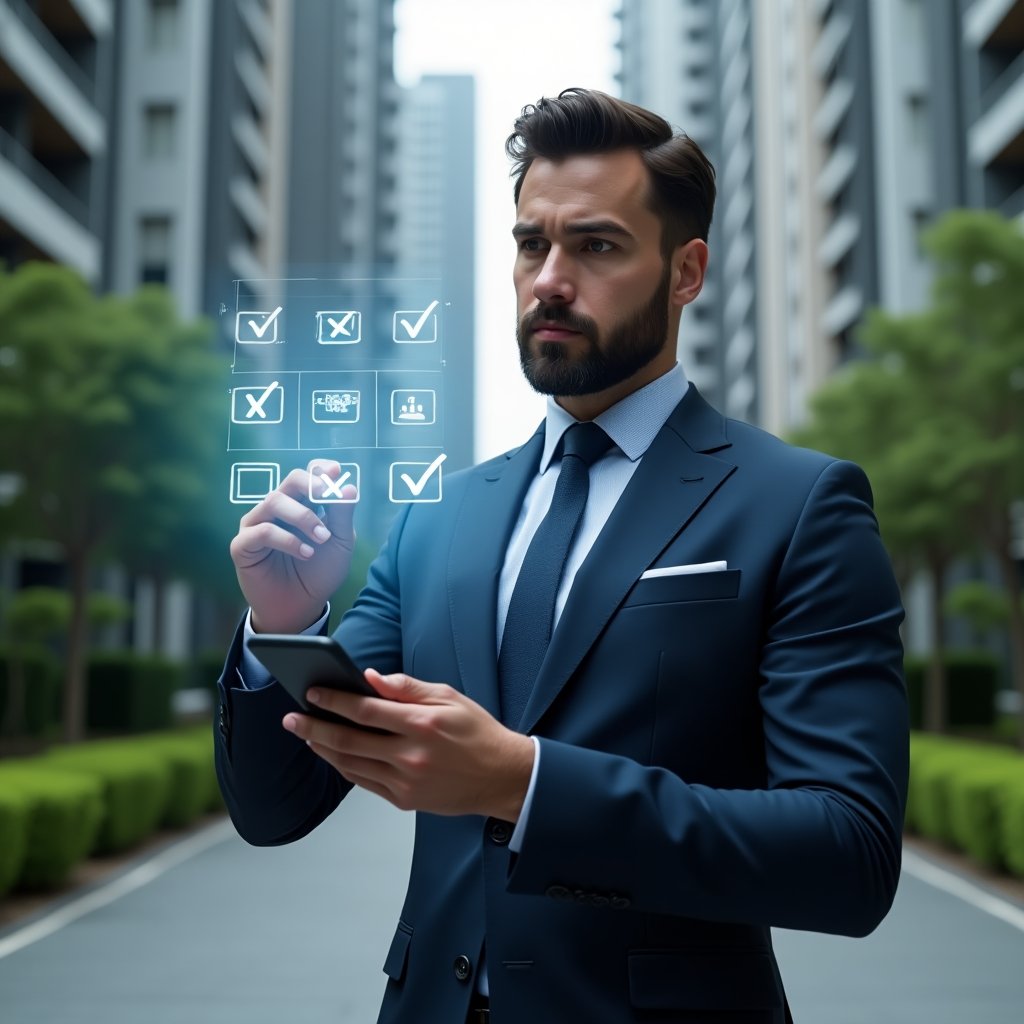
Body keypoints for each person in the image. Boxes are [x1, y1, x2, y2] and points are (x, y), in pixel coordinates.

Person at [216, 88, 909, 1024]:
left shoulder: (798, 504)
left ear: (685, 271)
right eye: (530, 243)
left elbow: (848, 855)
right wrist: (284, 622)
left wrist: (524, 782)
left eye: (597, 245)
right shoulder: (442, 516)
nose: (549, 278)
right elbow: (277, 806)